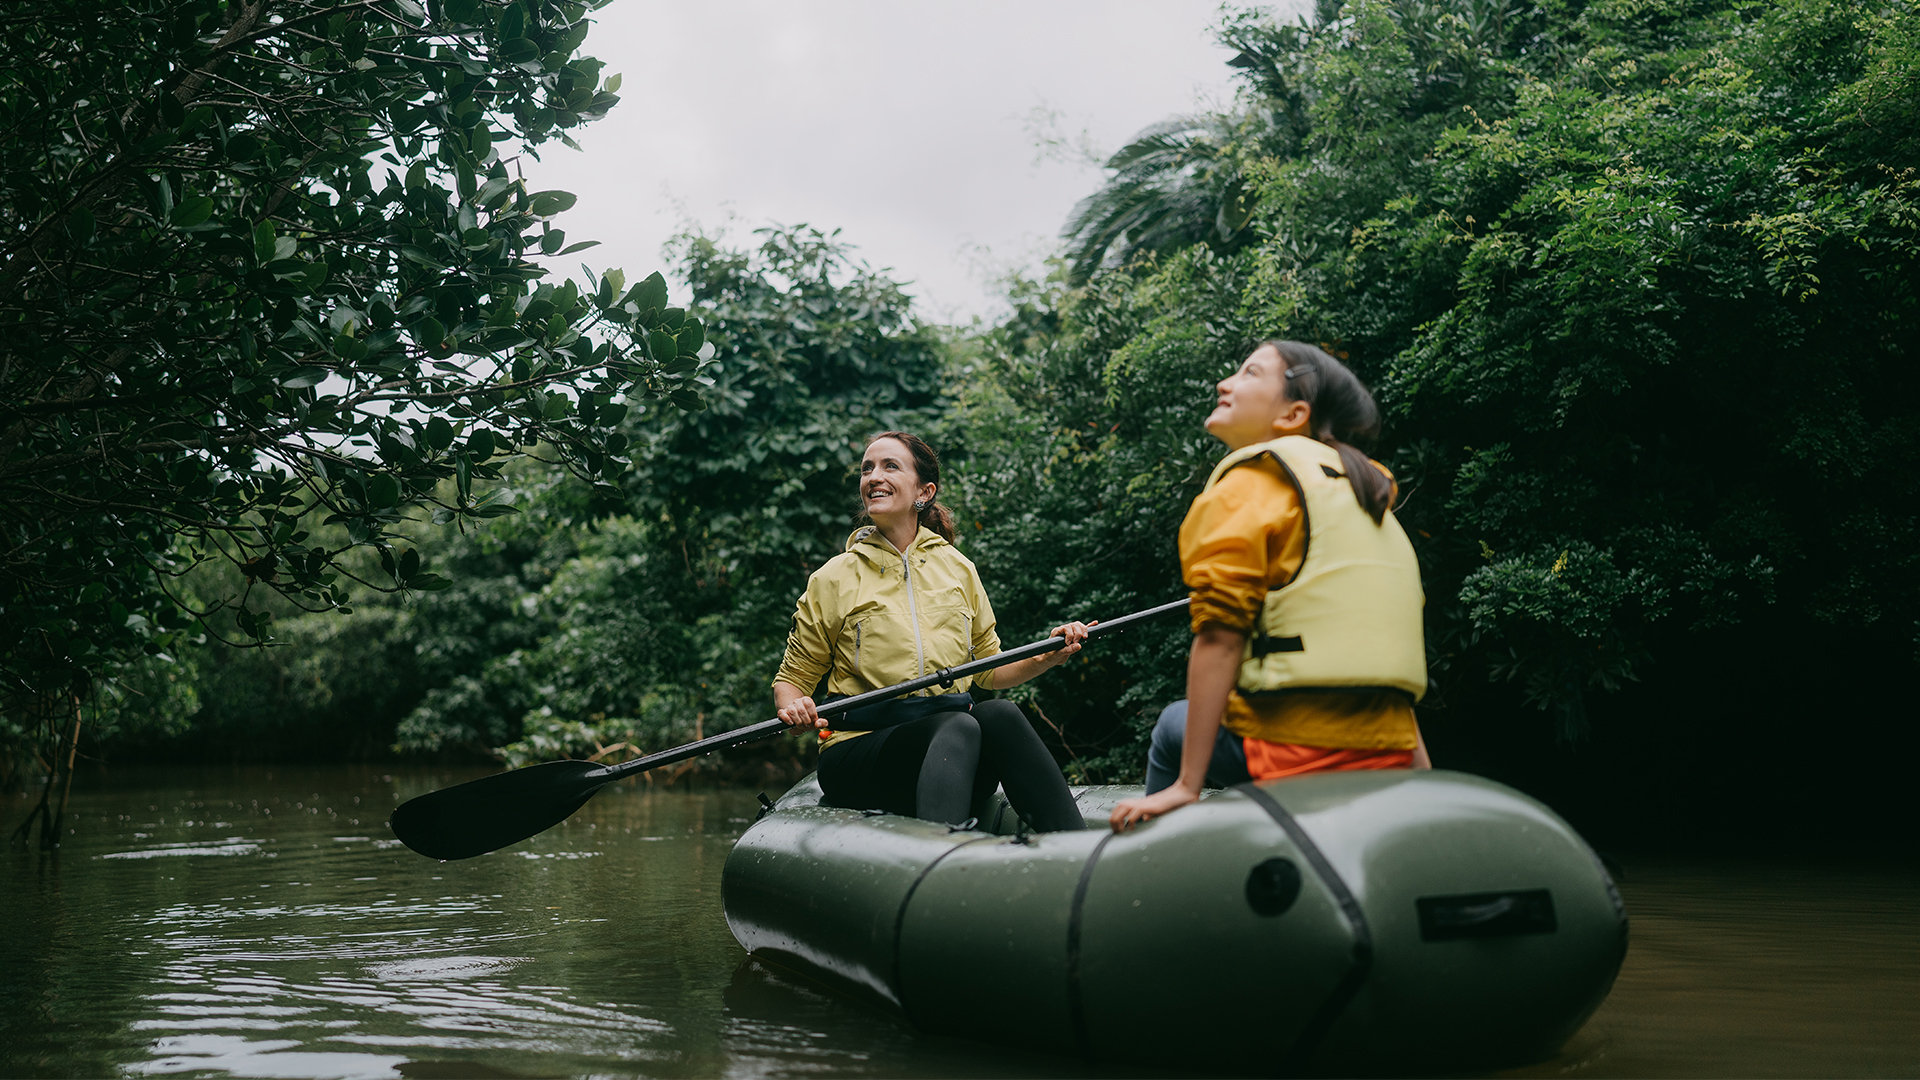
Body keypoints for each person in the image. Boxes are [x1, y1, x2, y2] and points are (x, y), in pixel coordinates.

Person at [1111, 342, 1431, 832]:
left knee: (1173, 724)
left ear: (1293, 413)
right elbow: (1379, 643)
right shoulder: (1366, 495)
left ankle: (1154, 859)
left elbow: (1221, 636)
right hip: (1389, 749)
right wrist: (1420, 773)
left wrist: (1187, 786)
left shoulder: (1250, 486)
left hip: (1293, 747)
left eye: (1249, 373)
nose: (1224, 384)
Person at [773, 430, 1090, 832]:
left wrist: (1049, 654)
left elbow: (989, 670)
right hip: (861, 755)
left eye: (890, 466)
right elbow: (792, 681)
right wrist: (794, 705)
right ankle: (939, 859)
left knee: (1001, 715)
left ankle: (1072, 843)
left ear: (924, 491)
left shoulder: (959, 569)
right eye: (867, 468)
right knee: (957, 723)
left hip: (954, 754)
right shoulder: (832, 578)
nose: (873, 476)